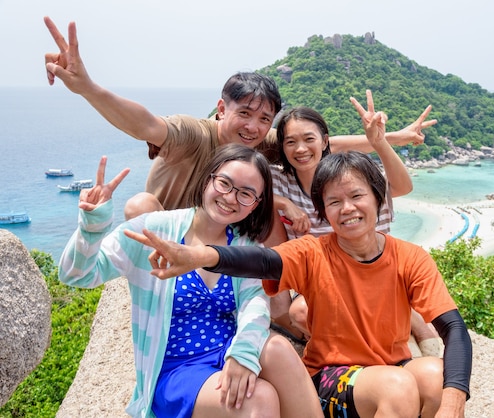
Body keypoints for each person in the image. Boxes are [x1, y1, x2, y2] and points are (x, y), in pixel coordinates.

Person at [126, 100, 472, 417]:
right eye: (334, 202)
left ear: (379, 199)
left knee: (435, 377)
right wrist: (197, 254)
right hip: (334, 376)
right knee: (397, 388)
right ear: (323, 211)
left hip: (395, 364)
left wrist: (455, 400)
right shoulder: (312, 252)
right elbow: (258, 263)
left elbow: (454, 328)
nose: (347, 209)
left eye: (356, 196)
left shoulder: (410, 257)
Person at [43, 16, 436, 217]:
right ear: (221, 108)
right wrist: (88, 88)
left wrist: (393, 138)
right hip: (170, 235)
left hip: (216, 240)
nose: (254, 126)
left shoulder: (258, 144)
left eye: (265, 119)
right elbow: (145, 124)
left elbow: (324, 145)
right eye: (244, 113)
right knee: (139, 205)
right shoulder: (194, 134)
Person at [58, 145, 322, 418]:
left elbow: (255, 304)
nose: (231, 198)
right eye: (225, 183)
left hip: (226, 351)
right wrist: (92, 226)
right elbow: (78, 274)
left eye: (245, 193)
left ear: (256, 204)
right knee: (260, 399)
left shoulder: (243, 246)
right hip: (176, 368)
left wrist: (243, 354)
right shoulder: (155, 230)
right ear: (208, 178)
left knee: (277, 348)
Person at [267, 93, 443, 358]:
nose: (300, 149)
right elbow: (250, 191)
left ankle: (410, 323)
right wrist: (282, 203)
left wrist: (381, 141)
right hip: (323, 282)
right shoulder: (280, 181)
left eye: (309, 140)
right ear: (282, 147)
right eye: (290, 142)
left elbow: (402, 187)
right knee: (301, 311)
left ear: (325, 141)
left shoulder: (347, 179)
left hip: (372, 273)